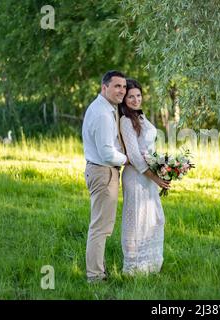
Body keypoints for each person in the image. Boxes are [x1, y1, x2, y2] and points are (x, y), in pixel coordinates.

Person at [118, 79, 170, 275]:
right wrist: (156, 178)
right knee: (137, 220)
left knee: (154, 219)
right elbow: (134, 155)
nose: (135, 99)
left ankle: (150, 265)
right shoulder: (125, 121)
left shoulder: (141, 117)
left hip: (149, 175)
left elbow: (148, 149)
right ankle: (133, 268)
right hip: (136, 176)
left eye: (138, 96)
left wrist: (162, 167)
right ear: (124, 99)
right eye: (131, 96)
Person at [82, 70, 129, 283]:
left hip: (101, 171)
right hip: (103, 172)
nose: (122, 90)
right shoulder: (102, 113)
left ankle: (97, 271)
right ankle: (95, 276)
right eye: (117, 86)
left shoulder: (106, 108)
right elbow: (107, 153)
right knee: (100, 228)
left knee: (101, 226)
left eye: (124, 86)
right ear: (104, 87)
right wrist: (128, 160)